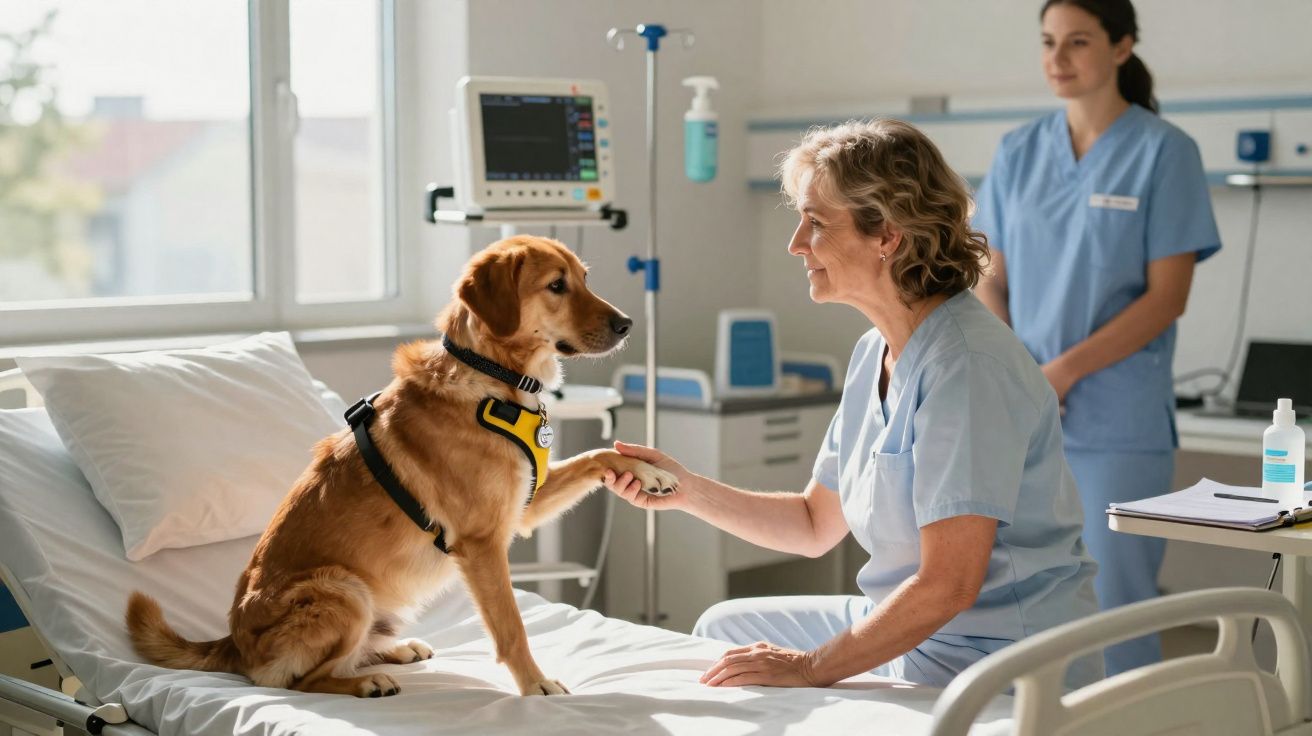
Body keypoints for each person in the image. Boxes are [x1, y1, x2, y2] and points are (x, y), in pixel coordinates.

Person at [604, 119, 1101, 690]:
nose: (795, 244)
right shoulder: (875, 353)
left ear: (886, 235)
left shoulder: (966, 367)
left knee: (762, 680)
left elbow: (950, 584)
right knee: (725, 626)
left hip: (993, 654)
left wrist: (812, 667)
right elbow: (814, 524)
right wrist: (686, 488)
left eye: (815, 223)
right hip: (915, 626)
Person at [972, 0, 1221, 676]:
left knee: (1116, 602)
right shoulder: (1019, 151)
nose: (1057, 59)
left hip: (1117, 419)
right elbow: (990, 280)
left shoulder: (1164, 153)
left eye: (1077, 42)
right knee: (1017, 598)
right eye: (1048, 42)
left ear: (1121, 47)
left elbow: (1166, 298)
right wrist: (1025, 375)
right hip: (1025, 414)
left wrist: (1061, 374)